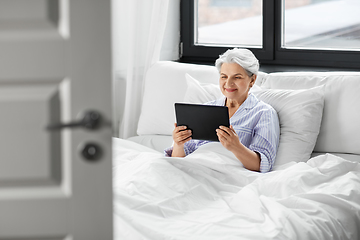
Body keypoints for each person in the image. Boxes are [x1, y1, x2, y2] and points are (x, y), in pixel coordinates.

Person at [164, 48, 280, 173]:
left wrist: (236, 147)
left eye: (237, 77)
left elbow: (263, 165)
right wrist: (178, 143)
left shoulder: (263, 113)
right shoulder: (206, 109)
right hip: (194, 167)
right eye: (224, 76)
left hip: (226, 173)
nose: (228, 83)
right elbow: (178, 160)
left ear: (252, 80)